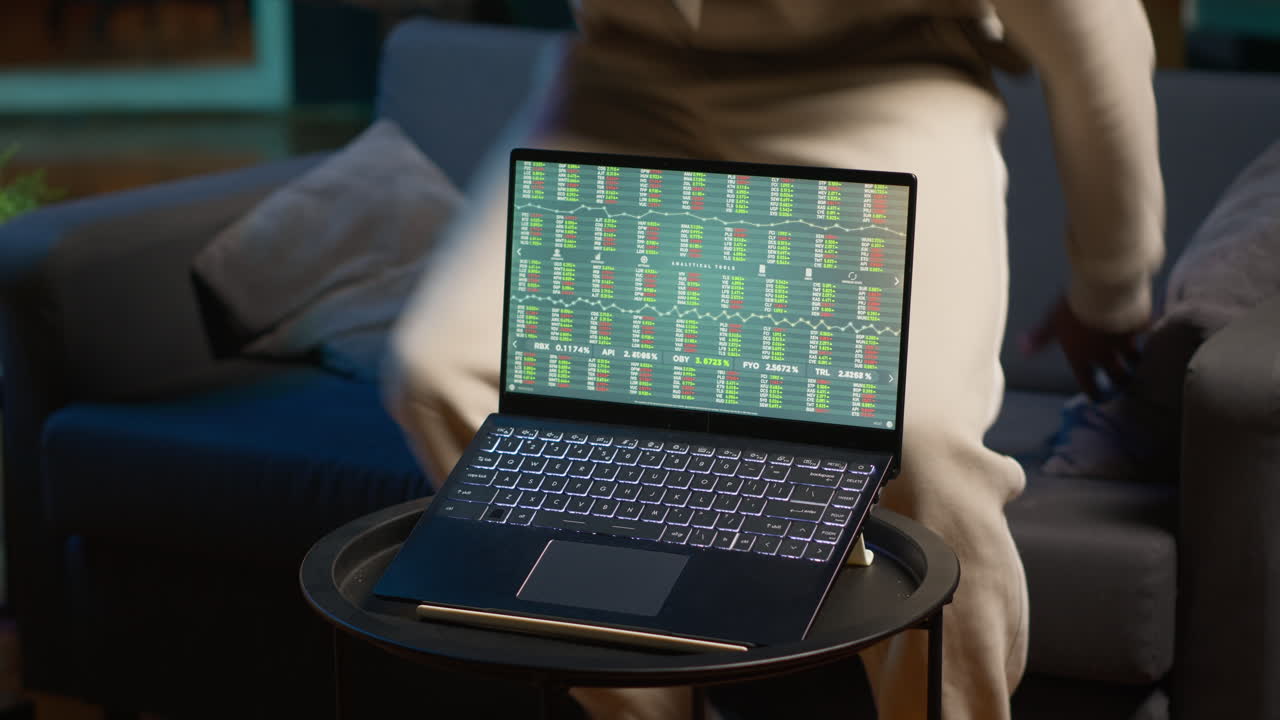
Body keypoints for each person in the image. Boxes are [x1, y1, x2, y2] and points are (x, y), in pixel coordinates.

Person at [384, 2, 1165, 718]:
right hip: (628, 85)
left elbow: (1093, 28)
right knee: (441, 370)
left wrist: (1111, 286)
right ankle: (652, 709)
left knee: (918, 436)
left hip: (883, 79)